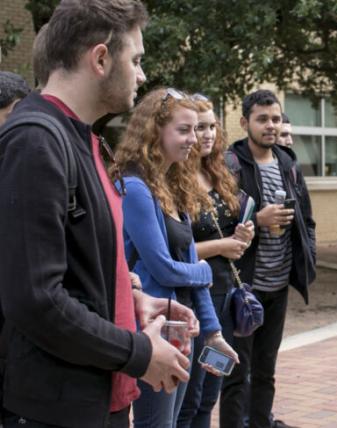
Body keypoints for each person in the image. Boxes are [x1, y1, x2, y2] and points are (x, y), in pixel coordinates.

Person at [0, 1, 196, 427]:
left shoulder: (80, 138)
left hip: (96, 399)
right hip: (55, 408)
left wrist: (132, 303)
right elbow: (36, 299)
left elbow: (76, 270)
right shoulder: (36, 142)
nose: (142, 75)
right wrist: (139, 353)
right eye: (137, 59)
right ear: (102, 58)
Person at [112, 88, 238, 428]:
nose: (194, 139)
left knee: (187, 413)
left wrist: (213, 333)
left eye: (196, 129)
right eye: (184, 130)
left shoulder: (173, 185)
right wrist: (204, 273)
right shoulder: (135, 188)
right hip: (154, 328)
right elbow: (164, 270)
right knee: (157, 424)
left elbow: (191, 261)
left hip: (182, 325)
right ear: (155, 132)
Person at [221, 90, 316, 428]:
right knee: (234, 371)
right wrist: (257, 221)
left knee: (266, 371)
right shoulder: (230, 164)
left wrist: (308, 261)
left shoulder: (288, 162)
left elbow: (305, 218)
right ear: (246, 122)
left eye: (276, 119)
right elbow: (216, 223)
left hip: (277, 287)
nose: (271, 125)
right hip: (242, 287)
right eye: (263, 119)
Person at [177, 96, 253, 428]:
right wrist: (223, 245)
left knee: (210, 394)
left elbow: (227, 237)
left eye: (211, 126)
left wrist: (242, 236)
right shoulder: (173, 181)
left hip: (224, 298)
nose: (207, 134)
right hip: (192, 300)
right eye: (198, 127)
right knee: (189, 400)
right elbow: (173, 250)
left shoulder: (218, 173)